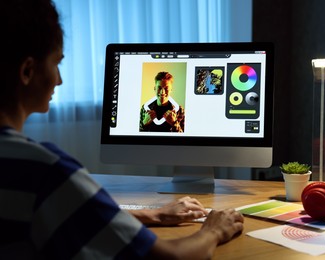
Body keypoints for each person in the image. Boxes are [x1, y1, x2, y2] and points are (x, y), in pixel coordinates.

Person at [0, 0, 244, 259]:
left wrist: (153, 214)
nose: (59, 79)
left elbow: (79, 217)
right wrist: (214, 231)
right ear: (27, 71)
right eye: (56, 63)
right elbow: (169, 257)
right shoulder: (47, 172)